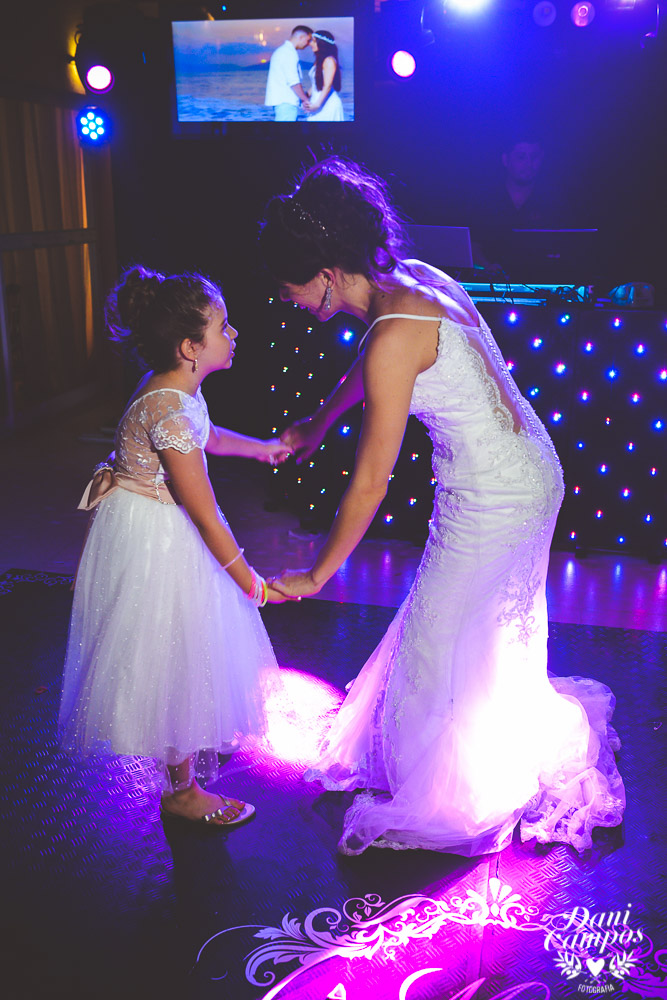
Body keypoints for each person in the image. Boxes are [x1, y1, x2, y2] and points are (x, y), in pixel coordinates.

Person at [259, 157, 625, 857]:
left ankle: (460, 785)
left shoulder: (392, 336)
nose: (290, 301)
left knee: (443, 627)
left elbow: (369, 481)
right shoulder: (418, 278)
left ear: (328, 273)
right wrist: (317, 420)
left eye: (291, 289)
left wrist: (314, 574)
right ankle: (491, 737)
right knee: (478, 628)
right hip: (533, 469)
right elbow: (370, 359)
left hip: (493, 493)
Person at [59, 267, 291, 827]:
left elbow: (206, 435)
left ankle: (194, 747)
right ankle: (183, 792)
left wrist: (263, 449)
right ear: (191, 347)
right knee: (173, 653)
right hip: (155, 535)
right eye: (223, 326)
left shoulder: (175, 387)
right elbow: (205, 512)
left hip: (159, 519)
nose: (234, 334)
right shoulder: (167, 407)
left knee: (193, 641)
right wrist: (250, 583)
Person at [264, 25, 312, 122]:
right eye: (308, 40)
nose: (308, 44)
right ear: (301, 37)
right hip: (286, 103)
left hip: (283, 102)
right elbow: (293, 82)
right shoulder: (288, 53)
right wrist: (305, 100)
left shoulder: (284, 51)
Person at [306, 30, 344, 122]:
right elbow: (316, 83)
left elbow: (327, 85)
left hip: (327, 104)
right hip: (317, 103)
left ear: (322, 44)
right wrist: (305, 96)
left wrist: (317, 104)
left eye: (314, 41)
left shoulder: (329, 60)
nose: (310, 44)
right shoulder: (319, 61)